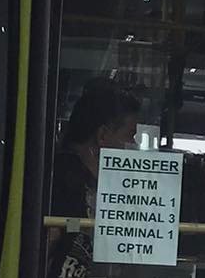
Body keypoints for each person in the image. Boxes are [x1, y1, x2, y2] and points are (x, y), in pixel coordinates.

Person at [49, 80, 141, 219]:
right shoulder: (67, 182)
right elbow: (71, 228)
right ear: (102, 135)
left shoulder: (85, 179)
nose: (133, 143)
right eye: (130, 135)